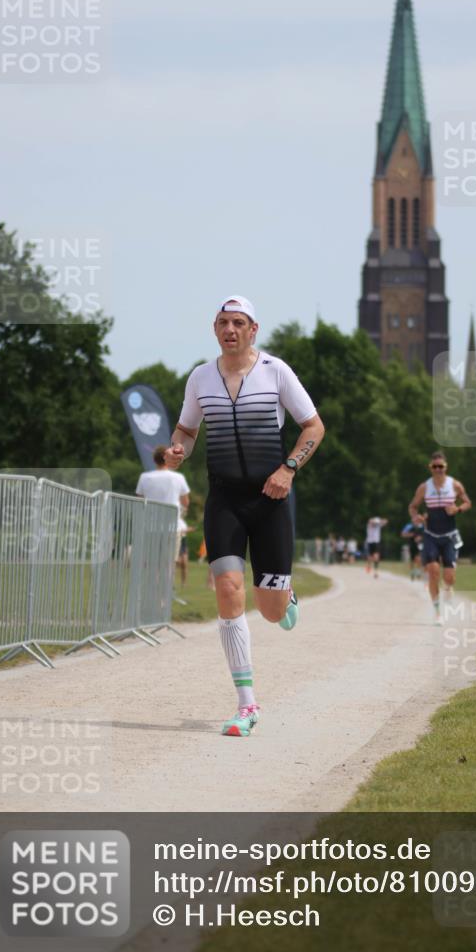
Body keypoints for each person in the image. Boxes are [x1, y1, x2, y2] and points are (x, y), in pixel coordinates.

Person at [165, 295, 325, 737]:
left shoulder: (276, 371)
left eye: (238, 322)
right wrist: (180, 448)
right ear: (214, 329)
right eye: (222, 322)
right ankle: (246, 703)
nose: (229, 329)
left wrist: (288, 469)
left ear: (253, 329)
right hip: (225, 501)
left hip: (270, 500)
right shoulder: (200, 378)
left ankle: (284, 597)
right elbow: (187, 429)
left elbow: (314, 426)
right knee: (228, 588)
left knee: (269, 610)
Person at [408, 451, 471, 625]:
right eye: (434, 467)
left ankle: (449, 587)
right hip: (431, 535)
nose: (438, 470)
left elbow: (468, 502)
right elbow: (413, 506)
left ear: (445, 467)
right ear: (430, 468)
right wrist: (416, 517)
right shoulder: (424, 487)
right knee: (434, 572)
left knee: (449, 576)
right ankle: (437, 613)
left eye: (440, 466)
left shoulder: (455, 485)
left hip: (449, 536)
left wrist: (457, 509)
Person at [135, 445, 191, 602]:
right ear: (168, 458)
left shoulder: (145, 477)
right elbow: (186, 502)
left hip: (150, 527)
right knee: (168, 563)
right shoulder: (178, 478)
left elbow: (140, 500)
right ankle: (164, 598)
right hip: (172, 527)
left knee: (151, 563)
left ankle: (150, 595)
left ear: (155, 460)